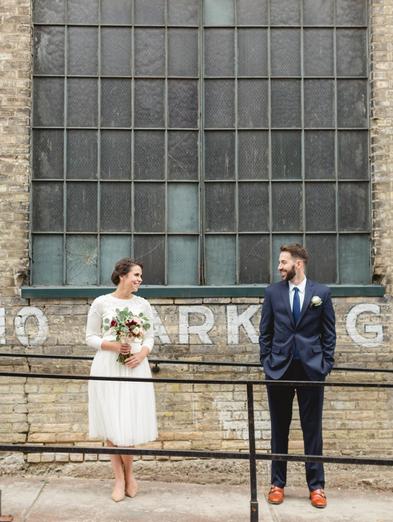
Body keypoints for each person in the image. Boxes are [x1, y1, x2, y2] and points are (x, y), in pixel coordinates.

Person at [259, 244, 336, 509]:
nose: (279, 267)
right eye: (280, 262)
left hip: (311, 370)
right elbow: (265, 332)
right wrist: (266, 363)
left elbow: (329, 333)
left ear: (298, 264)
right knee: (279, 429)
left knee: (312, 430)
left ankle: (316, 487)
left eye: (283, 262)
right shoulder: (272, 293)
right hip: (278, 369)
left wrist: (325, 365)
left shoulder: (321, 294)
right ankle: (277, 484)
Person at [86, 258, 157, 502]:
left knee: (129, 420)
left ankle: (130, 475)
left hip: (134, 366)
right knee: (112, 422)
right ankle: (118, 479)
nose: (139, 279)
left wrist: (140, 354)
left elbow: (150, 338)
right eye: (136, 275)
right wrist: (114, 345)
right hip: (108, 364)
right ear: (122, 275)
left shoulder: (143, 305)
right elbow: (90, 337)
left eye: (140, 276)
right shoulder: (102, 302)